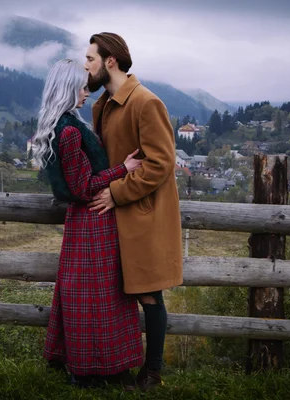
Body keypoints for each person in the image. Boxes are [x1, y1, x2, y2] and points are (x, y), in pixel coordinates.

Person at [31, 59, 144, 388]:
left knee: (88, 297)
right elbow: (82, 187)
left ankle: (92, 368)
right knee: (98, 299)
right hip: (91, 219)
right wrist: (123, 168)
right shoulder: (68, 131)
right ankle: (92, 371)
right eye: (81, 87)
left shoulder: (64, 124)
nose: (86, 92)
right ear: (67, 89)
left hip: (85, 222)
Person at [85, 33, 184, 391]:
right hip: (110, 215)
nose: (87, 66)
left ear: (110, 61)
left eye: (91, 59)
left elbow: (160, 164)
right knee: (113, 293)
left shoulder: (145, 102)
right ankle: (115, 368)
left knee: (147, 293)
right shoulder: (102, 105)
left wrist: (116, 192)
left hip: (141, 215)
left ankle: (152, 372)